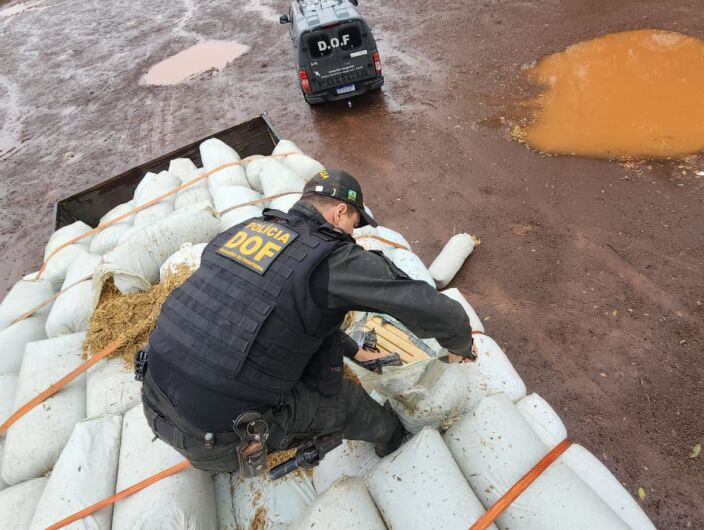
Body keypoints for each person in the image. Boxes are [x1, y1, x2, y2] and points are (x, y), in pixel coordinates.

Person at [139, 168, 475, 474]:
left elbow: (273, 313)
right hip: (219, 439)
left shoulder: (245, 231)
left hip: (154, 401)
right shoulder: (332, 260)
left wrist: (355, 352)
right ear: (339, 211)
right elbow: (431, 307)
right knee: (349, 402)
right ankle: (395, 441)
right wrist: (460, 343)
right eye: (354, 223)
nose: (352, 233)